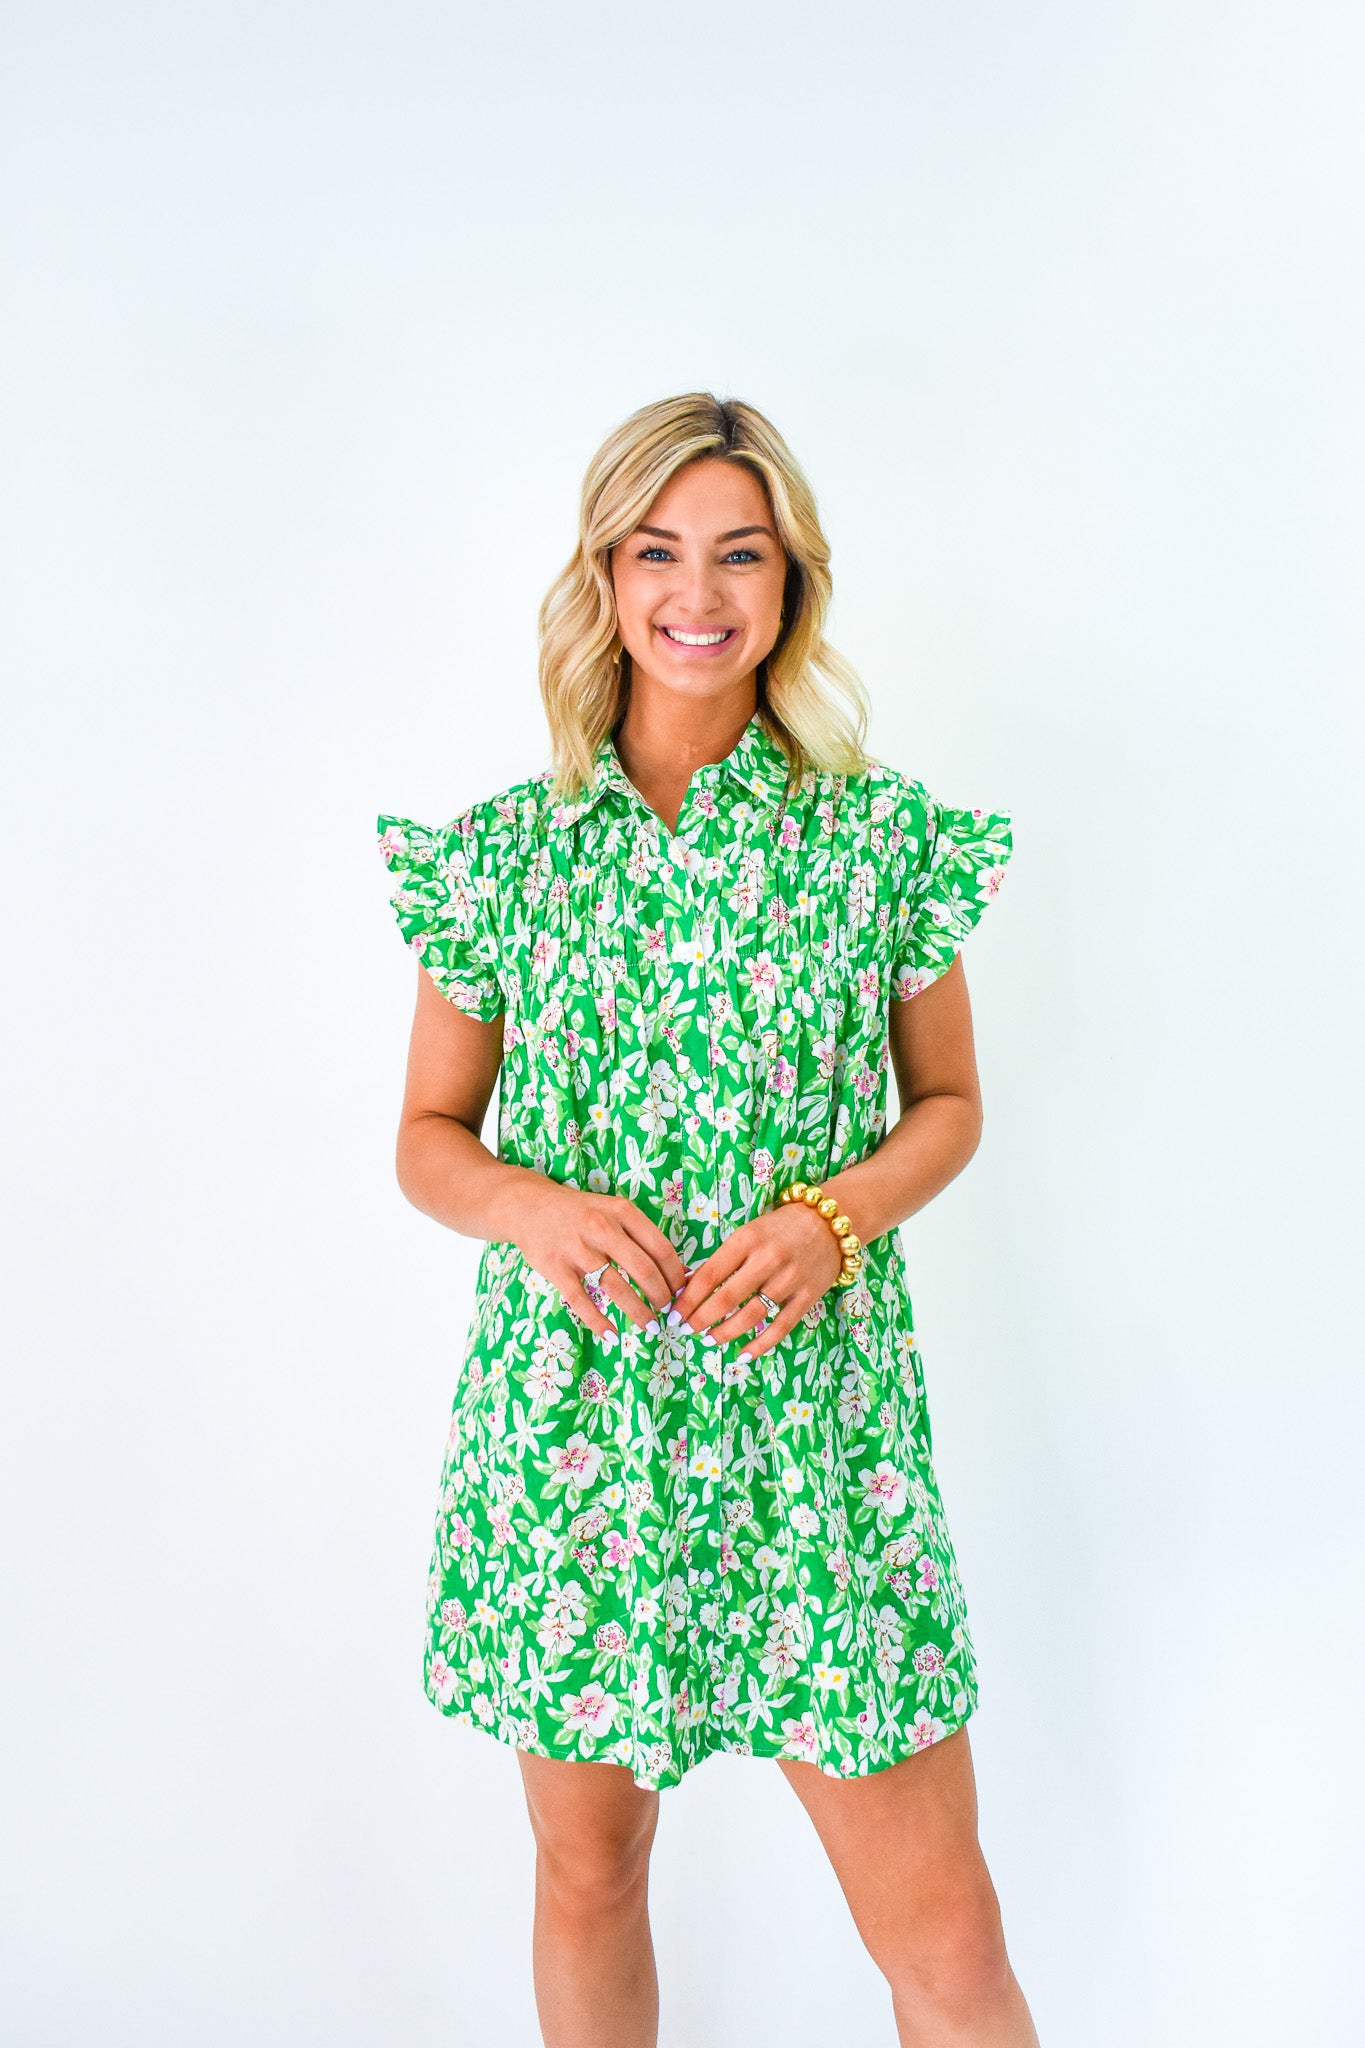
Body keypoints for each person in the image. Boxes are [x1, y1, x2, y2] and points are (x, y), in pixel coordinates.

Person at [376, 392, 1038, 2047]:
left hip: (819, 1435)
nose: (697, 591)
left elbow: (948, 1105)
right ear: (602, 576)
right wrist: (530, 1208)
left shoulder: (879, 840)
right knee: (588, 1873)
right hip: (576, 1437)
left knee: (946, 1936)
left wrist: (832, 1218)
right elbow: (427, 1141)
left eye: (740, 554)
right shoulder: (501, 859)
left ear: (789, 582)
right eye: (656, 551)